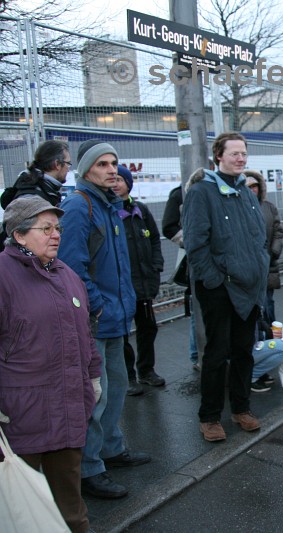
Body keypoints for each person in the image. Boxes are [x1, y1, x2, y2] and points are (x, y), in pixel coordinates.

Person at [0, 196, 102, 533]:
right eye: (45, 229)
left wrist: (93, 377)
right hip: (19, 416)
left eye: (57, 228)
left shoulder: (66, 274)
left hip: (68, 411)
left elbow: (85, 333)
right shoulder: (3, 276)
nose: (56, 234)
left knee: (72, 510)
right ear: (19, 235)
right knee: (23, 510)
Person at [58, 139, 148, 500]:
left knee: (117, 388)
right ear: (86, 170)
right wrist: (96, 306)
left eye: (114, 163)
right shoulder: (79, 207)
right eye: (103, 164)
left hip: (114, 317)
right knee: (95, 396)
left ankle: (111, 449)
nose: (112, 170)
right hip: (95, 319)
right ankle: (89, 470)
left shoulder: (109, 205)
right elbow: (72, 266)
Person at [182, 132, 269, 443]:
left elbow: (259, 238)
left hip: (249, 288)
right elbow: (195, 243)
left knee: (244, 351)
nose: (240, 158)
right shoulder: (201, 193)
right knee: (216, 355)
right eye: (234, 153)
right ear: (218, 156)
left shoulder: (246, 192)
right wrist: (214, 281)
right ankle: (209, 417)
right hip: (219, 290)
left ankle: (241, 409)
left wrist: (260, 270)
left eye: (243, 153)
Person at [112, 165, 165, 397]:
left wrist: (156, 266)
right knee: (122, 334)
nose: (116, 184)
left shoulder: (140, 210)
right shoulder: (109, 212)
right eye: (113, 179)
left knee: (147, 328)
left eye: (120, 180)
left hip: (144, 283)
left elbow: (154, 239)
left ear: (128, 184)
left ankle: (146, 370)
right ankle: (128, 376)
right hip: (121, 286)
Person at [163, 160, 214, 372]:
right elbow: (168, 226)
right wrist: (192, 241)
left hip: (215, 261)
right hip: (194, 260)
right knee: (197, 307)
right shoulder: (179, 195)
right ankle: (196, 354)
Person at [0, 140, 71, 250]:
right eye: (68, 164)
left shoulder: (44, 188)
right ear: (57, 164)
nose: (68, 169)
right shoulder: (32, 196)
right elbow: (22, 243)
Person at [244, 169, 283, 323]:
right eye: (248, 187)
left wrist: (274, 251)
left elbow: (278, 231)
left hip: (268, 263)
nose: (252, 190)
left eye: (254, 186)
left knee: (268, 302)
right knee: (252, 305)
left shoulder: (269, 207)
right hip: (248, 266)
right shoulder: (239, 209)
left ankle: (271, 332)